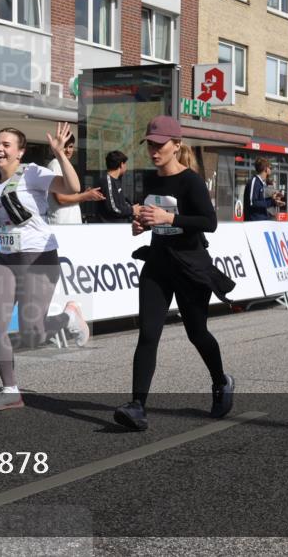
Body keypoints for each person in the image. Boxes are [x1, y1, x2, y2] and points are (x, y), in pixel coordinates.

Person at [0, 123, 89, 411]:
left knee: (33, 333)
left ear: (20, 152)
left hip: (38, 258)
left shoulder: (33, 173)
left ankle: (69, 318)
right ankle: (10, 390)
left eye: (6, 145)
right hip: (5, 260)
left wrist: (62, 155)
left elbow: (73, 187)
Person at [113, 116, 236, 432]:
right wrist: (141, 225)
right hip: (158, 264)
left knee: (197, 333)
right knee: (148, 333)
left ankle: (221, 381)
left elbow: (209, 222)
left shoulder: (190, 181)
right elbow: (150, 218)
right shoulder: (149, 180)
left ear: (176, 145)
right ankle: (137, 406)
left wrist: (170, 216)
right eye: (150, 145)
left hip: (190, 266)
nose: (154, 151)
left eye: (160, 145)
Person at [46, 134, 104, 223]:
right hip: (62, 224)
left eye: (71, 146)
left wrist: (85, 195)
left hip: (69, 224)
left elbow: (67, 197)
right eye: (65, 146)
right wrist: (85, 196)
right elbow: (61, 199)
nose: (68, 150)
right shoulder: (55, 164)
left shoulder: (63, 165)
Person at [97, 150, 140, 223]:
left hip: (120, 226)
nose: (126, 167)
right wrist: (132, 210)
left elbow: (121, 203)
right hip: (111, 228)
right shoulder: (107, 181)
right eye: (125, 164)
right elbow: (113, 208)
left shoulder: (116, 180)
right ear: (122, 164)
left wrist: (133, 208)